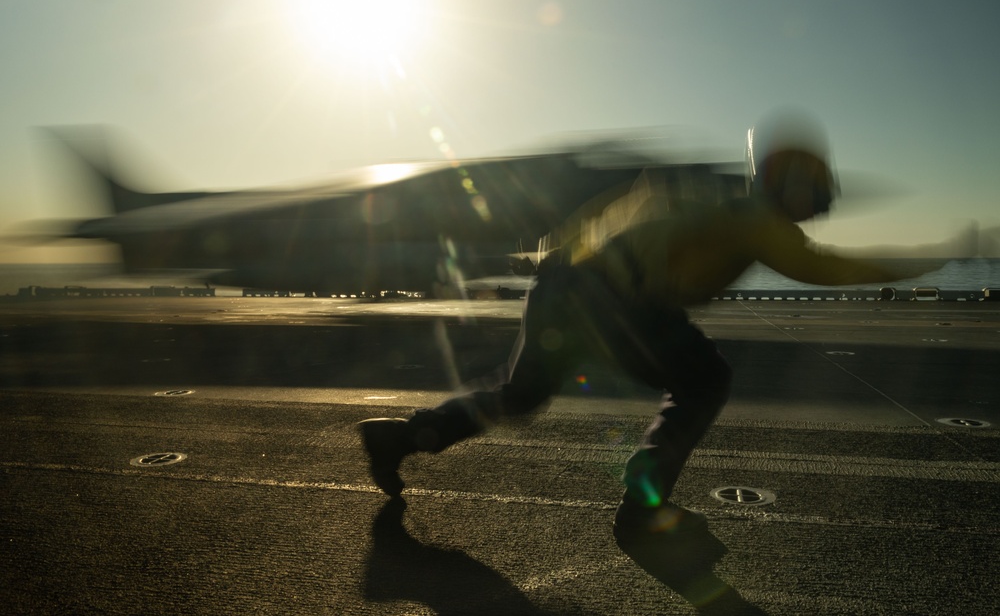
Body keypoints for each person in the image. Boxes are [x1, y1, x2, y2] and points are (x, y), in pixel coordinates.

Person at [358, 111, 976, 545]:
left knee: (521, 395)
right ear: (792, 186)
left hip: (571, 283)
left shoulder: (721, 203)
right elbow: (819, 267)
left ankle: (404, 439)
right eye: (819, 193)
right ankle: (643, 502)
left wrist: (562, 260)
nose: (824, 206)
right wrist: (922, 259)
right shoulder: (757, 219)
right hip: (611, 299)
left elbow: (611, 210)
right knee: (704, 379)